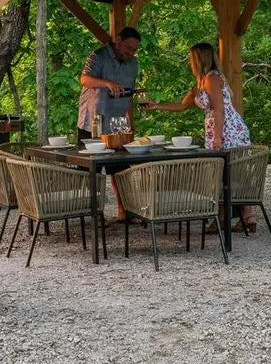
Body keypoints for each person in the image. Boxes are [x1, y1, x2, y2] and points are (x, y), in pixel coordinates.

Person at [143, 41, 256, 231]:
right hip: (218, 129)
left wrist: (218, 137)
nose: (189, 62)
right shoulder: (201, 82)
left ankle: (237, 216)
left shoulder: (212, 79)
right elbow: (183, 105)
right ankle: (240, 217)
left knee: (228, 173)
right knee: (224, 173)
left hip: (228, 130)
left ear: (199, 59)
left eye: (191, 58)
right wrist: (157, 106)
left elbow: (219, 110)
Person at [78, 27, 142, 222]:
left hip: (118, 122)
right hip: (94, 120)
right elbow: (84, 79)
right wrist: (107, 83)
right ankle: (94, 214)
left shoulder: (133, 64)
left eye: (134, 50)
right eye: (128, 48)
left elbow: (129, 94)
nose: (130, 53)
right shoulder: (98, 56)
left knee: (121, 169)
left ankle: (124, 211)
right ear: (118, 40)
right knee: (92, 171)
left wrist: (130, 120)